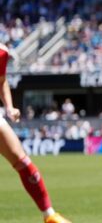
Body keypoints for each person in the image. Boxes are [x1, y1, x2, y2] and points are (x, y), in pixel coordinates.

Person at [0, 43, 71, 223]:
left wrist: (9, 106)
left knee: (21, 160)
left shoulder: (2, 52)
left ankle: (50, 216)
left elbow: (1, 80)